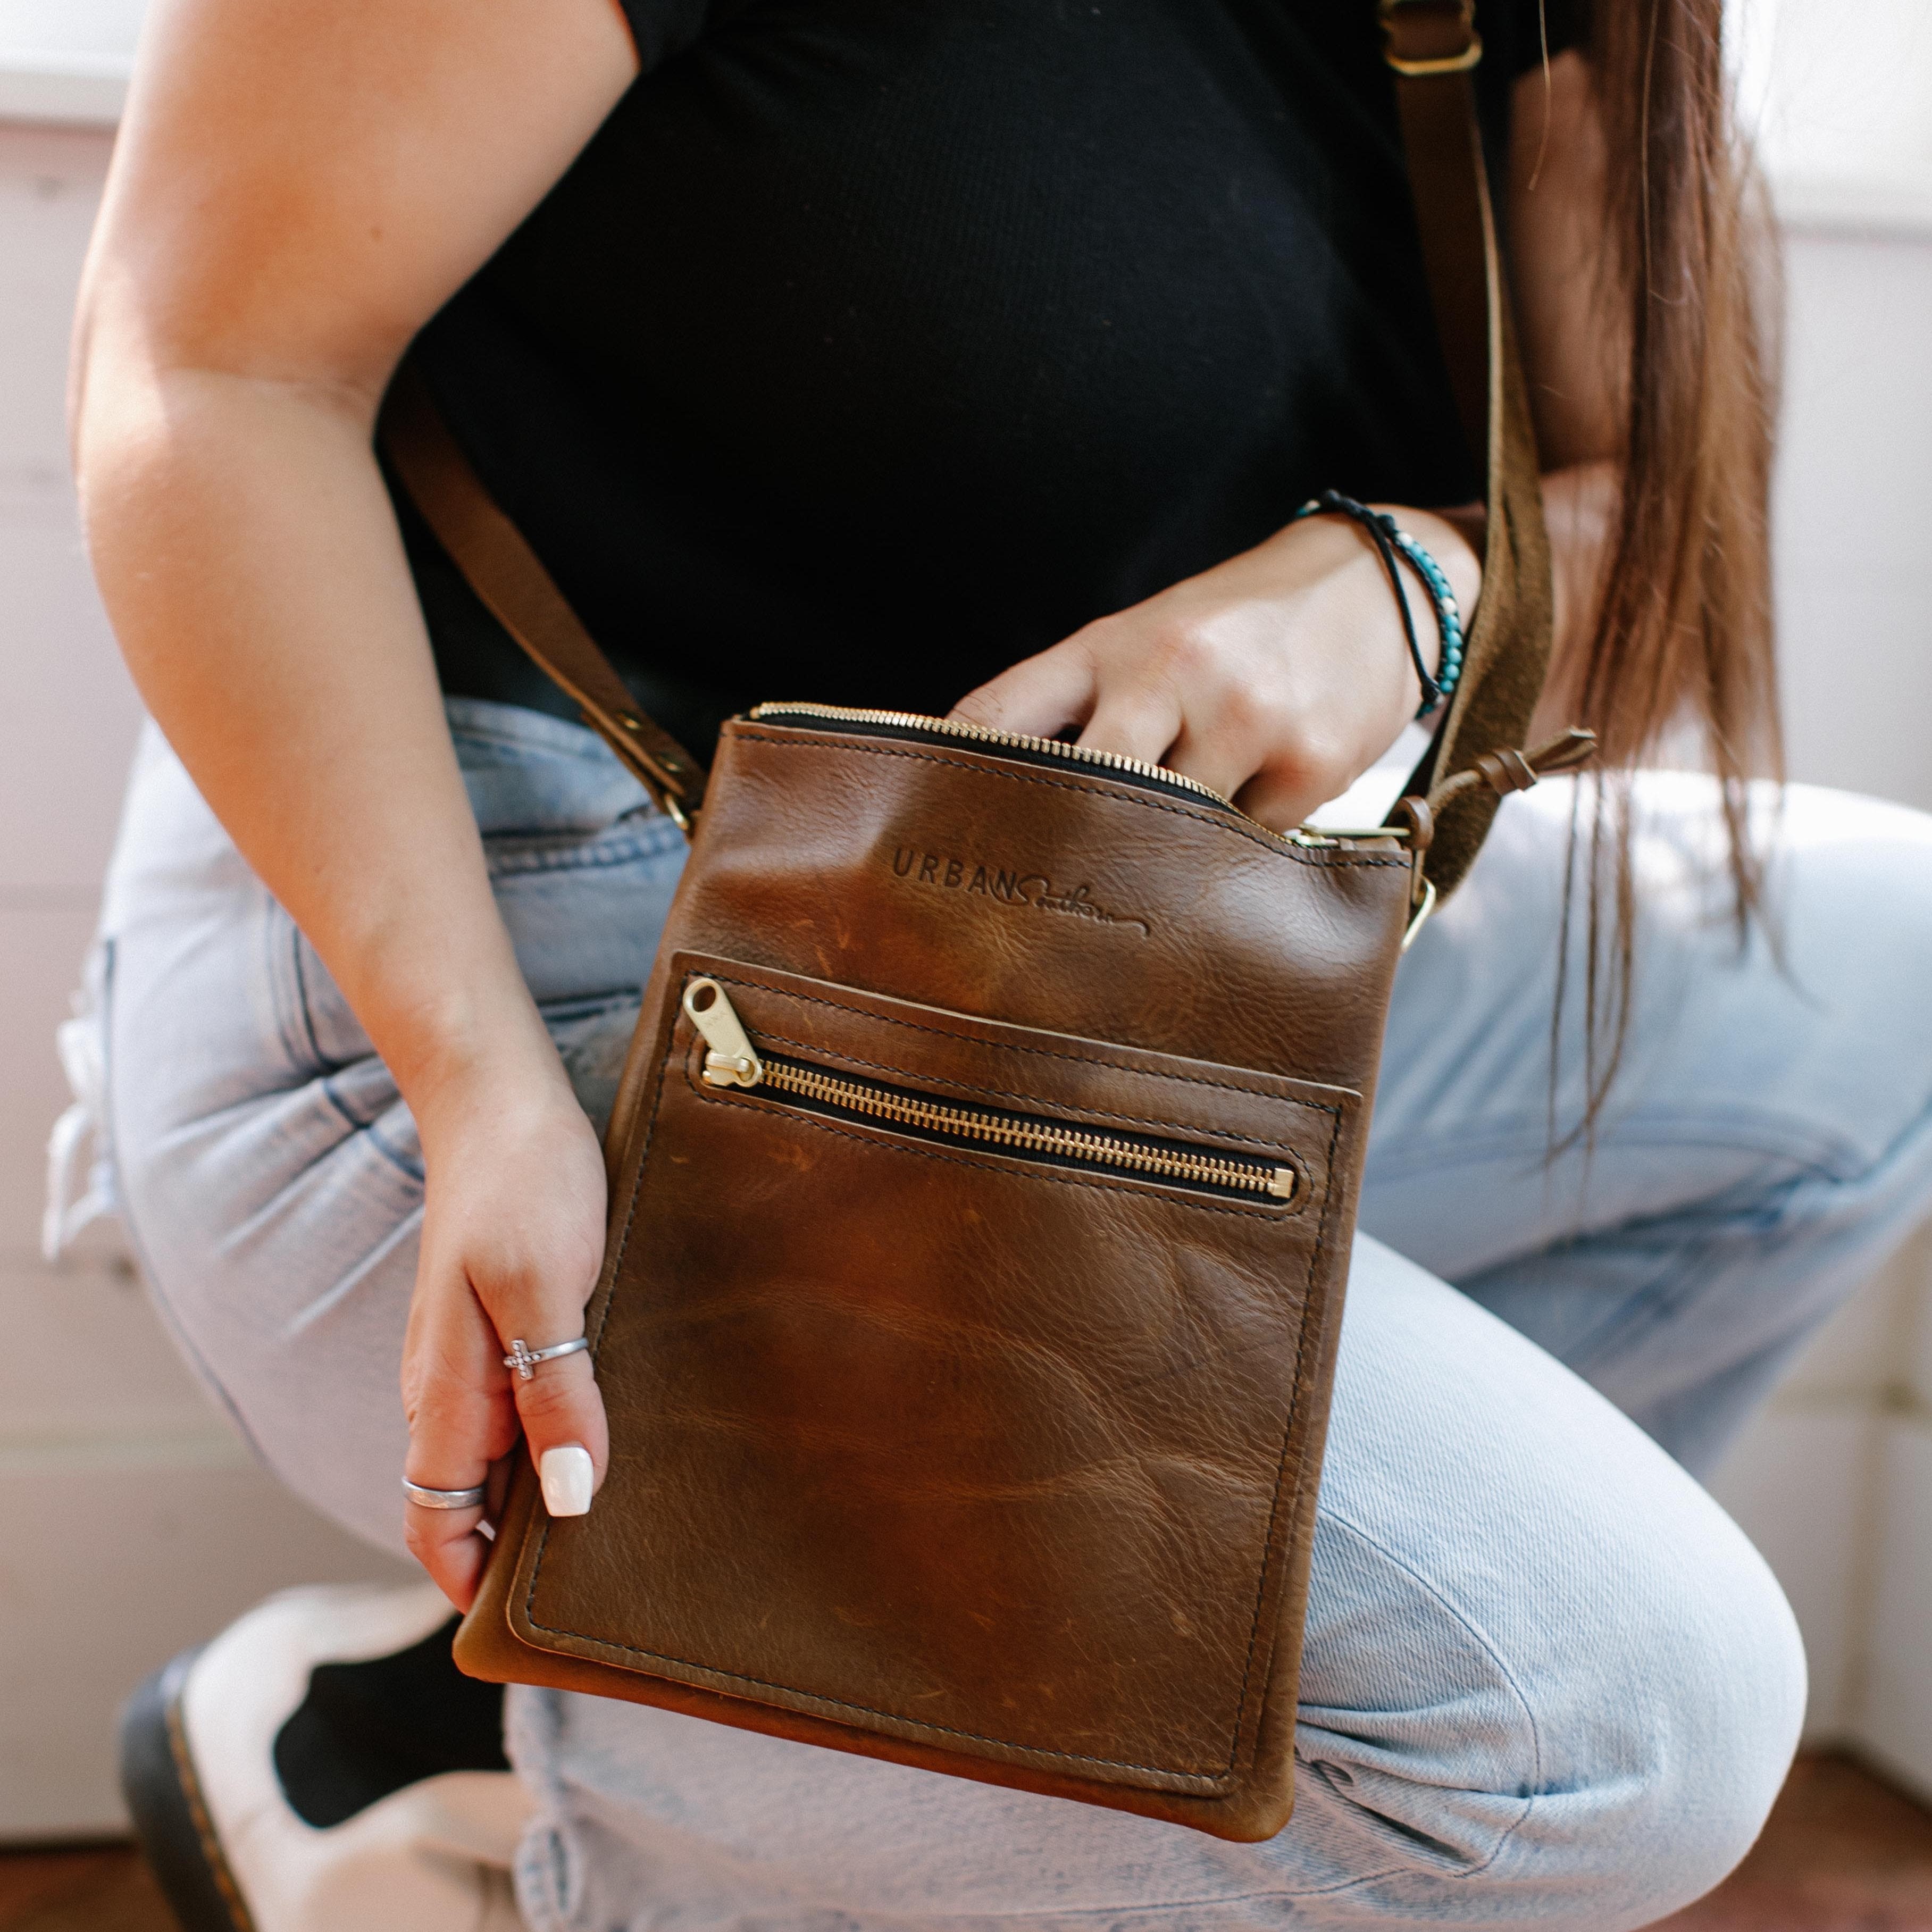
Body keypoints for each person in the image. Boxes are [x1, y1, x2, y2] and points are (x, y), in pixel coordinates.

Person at [60, 0, 1932, 1924]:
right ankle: (598, 1752)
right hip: (493, 925)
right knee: (1604, 1737)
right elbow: (208, 360)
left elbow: (1664, 540)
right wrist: (470, 1075)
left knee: (1900, 985)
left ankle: (629, 1717)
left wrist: (1411, 580)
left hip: (1081, 948)